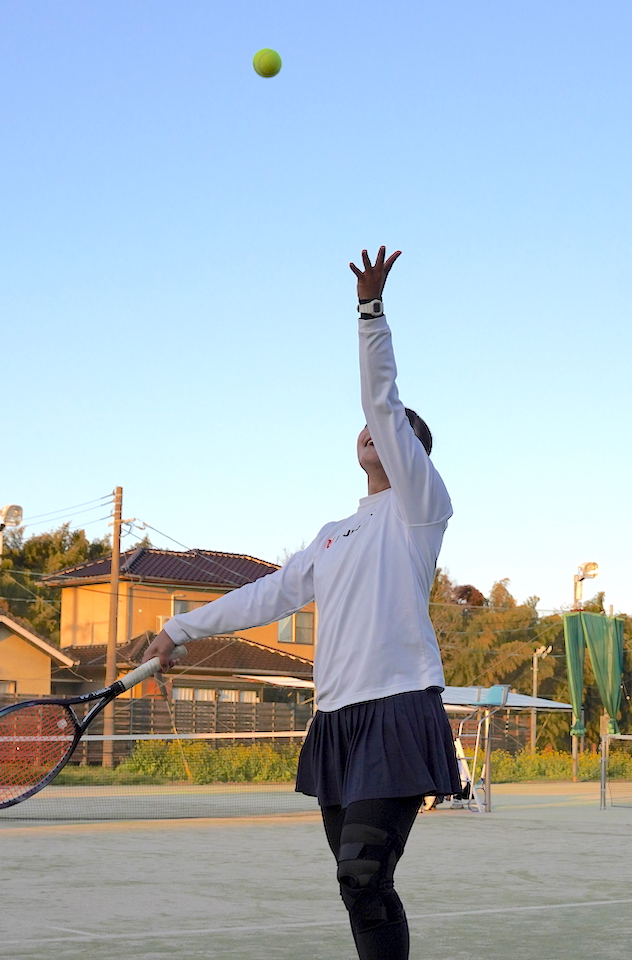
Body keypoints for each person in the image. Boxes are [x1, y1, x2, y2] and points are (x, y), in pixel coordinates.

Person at [145, 246, 459, 960]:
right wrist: (176, 627)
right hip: (338, 721)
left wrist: (370, 313)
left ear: (411, 451)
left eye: (395, 428)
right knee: (356, 887)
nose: (378, 429)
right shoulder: (332, 535)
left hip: (399, 708)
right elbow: (264, 595)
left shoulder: (420, 507)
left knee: (362, 872)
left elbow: (381, 399)